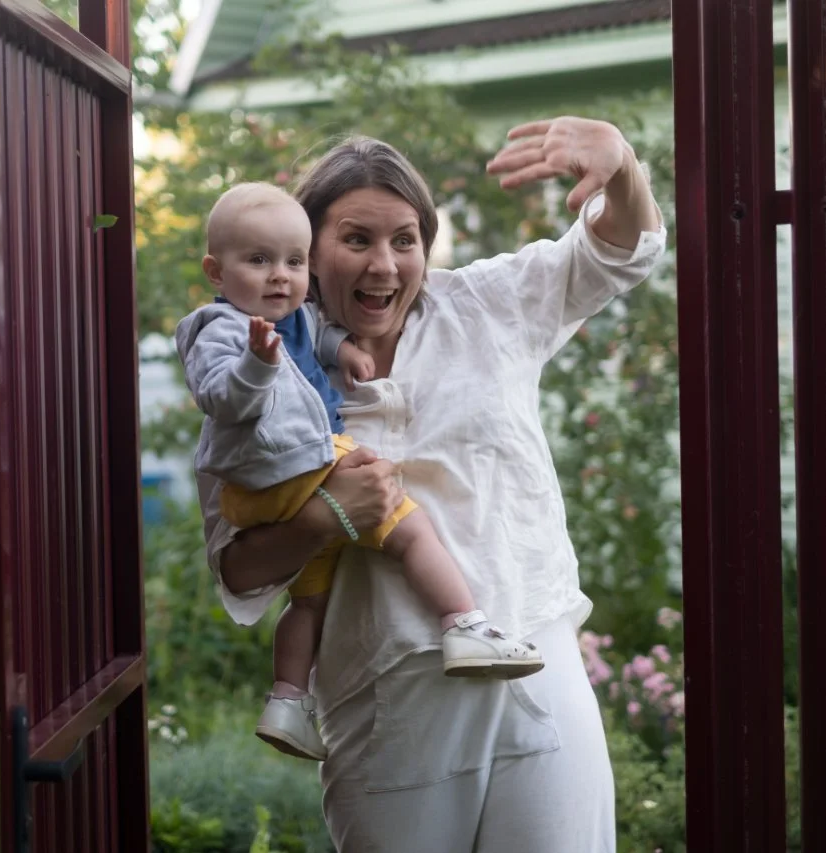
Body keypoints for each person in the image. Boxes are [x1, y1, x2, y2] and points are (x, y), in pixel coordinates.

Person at [194, 117, 665, 852]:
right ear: (309, 250)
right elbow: (237, 566)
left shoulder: (486, 305)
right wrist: (325, 518)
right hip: (386, 706)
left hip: (533, 667)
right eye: (357, 239)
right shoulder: (258, 369)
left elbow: (615, 251)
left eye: (405, 239)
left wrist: (622, 166)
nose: (384, 265)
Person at [176, 183, 544, 761]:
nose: (280, 277)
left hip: (286, 481)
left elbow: (314, 335)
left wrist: (342, 348)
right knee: (406, 523)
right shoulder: (222, 329)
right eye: (259, 260)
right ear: (215, 272)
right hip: (291, 465)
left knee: (309, 602)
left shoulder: (293, 317)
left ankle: (289, 701)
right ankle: (463, 624)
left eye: (293, 262)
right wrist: (256, 366)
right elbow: (220, 395)